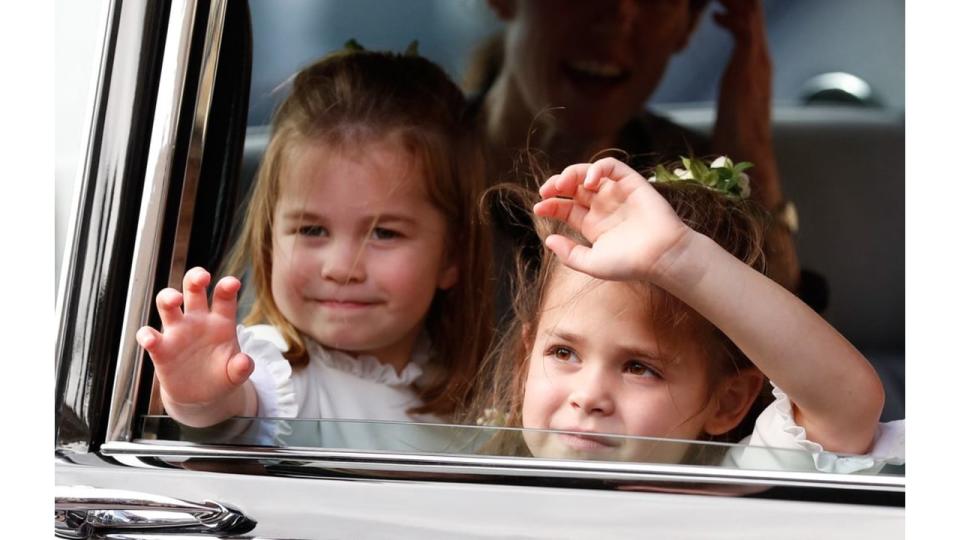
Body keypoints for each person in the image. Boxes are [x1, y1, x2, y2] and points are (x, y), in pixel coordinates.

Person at [136, 48, 494, 430]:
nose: (342, 268)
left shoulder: (465, 387)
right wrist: (203, 395)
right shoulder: (278, 369)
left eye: (384, 233)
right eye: (312, 230)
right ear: (271, 241)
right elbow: (238, 401)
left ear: (451, 257)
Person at [474, 157, 904, 472]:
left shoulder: (732, 489)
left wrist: (679, 259)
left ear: (727, 401)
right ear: (522, 363)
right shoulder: (464, 486)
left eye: (639, 367)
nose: (588, 397)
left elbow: (848, 403)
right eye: (564, 353)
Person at [467, 0, 808, 309]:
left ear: (687, 26)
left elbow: (779, 360)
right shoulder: (425, 148)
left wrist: (748, 152)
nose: (618, 17)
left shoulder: (695, 185)